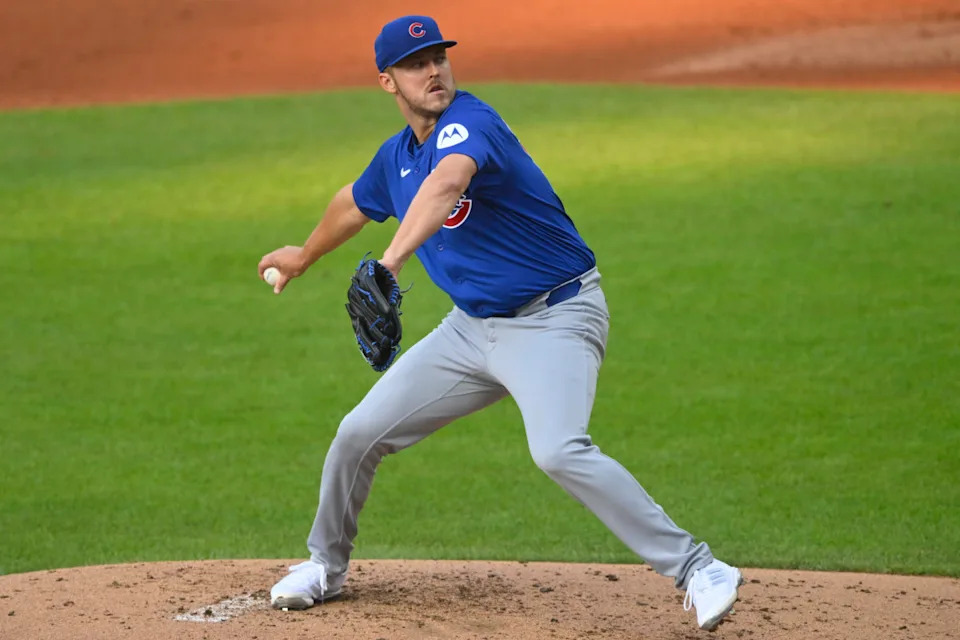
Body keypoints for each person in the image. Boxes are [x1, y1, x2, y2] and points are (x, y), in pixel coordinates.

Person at [257, 15, 742, 631]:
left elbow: (447, 182)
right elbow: (353, 203)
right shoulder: (396, 157)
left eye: (438, 56)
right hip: (471, 331)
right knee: (358, 433)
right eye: (414, 64)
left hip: (556, 317)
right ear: (388, 82)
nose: (432, 70)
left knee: (559, 450)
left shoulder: (471, 123)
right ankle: (324, 567)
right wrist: (304, 255)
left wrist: (390, 261)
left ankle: (700, 568)